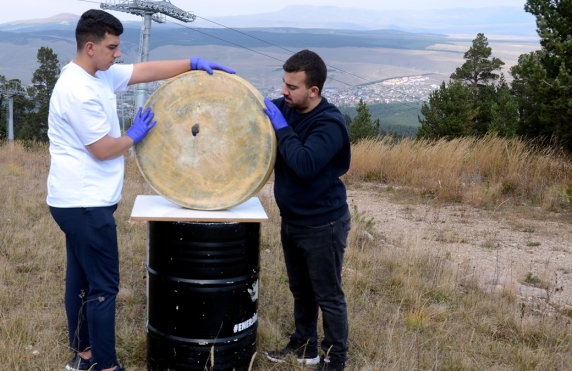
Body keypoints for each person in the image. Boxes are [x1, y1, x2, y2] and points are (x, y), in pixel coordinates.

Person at [46, 9, 235, 371]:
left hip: (76, 201)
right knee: (103, 288)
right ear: (90, 47)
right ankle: (105, 365)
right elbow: (102, 149)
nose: (118, 54)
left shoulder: (94, 75)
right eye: (113, 47)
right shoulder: (78, 90)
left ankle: (84, 356)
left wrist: (192, 64)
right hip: (85, 203)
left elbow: (143, 72)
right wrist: (134, 134)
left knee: (81, 279)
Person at [262, 49, 351, 371]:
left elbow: (303, 164)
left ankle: (334, 358)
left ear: (314, 90)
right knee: (301, 289)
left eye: (292, 87)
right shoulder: (288, 107)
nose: (284, 92)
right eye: (283, 84)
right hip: (294, 219)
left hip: (323, 224)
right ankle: (304, 347)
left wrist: (281, 126)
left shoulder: (329, 124)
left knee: (328, 294)